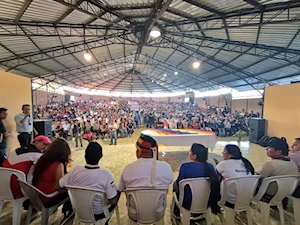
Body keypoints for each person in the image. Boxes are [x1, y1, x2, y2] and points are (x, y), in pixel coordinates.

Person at [59, 142, 119, 224]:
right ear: (100, 157)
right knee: (115, 194)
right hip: (99, 214)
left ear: (85, 156)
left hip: (80, 212)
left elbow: (59, 186)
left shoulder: (75, 171)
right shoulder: (106, 174)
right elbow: (113, 201)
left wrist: (71, 190)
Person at [117, 134, 173, 221]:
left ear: (139, 151)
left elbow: (119, 189)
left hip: (135, 215)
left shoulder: (128, 169)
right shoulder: (166, 168)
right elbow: (170, 181)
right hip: (157, 214)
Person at [173, 143, 221, 220]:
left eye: (190, 151)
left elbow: (179, 183)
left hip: (188, 202)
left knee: (175, 185)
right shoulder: (210, 167)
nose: (189, 153)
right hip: (206, 201)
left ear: (194, 156)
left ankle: (176, 212)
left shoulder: (185, 166)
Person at [32, 138, 72, 219]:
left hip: (37, 196)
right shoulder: (58, 165)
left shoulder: (43, 159)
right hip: (47, 198)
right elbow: (60, 186)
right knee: (72, 192)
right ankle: (68, 214)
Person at [257, 137, 299, 204]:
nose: (266, 149)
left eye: (269, 147)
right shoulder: (293, 164)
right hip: (286, 194)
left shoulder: (269, 165)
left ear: (278, 152)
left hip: (269, 196)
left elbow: (256, 178)